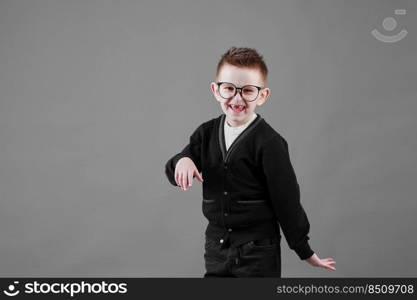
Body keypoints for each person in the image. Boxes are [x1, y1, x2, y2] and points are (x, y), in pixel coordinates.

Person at [165, 47, 336, 277]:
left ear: (262, 96)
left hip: (257, 251)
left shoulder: (270, 142)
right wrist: (182, 160)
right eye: (229, 89)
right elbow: (175, 169)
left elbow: (287, 201)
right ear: (216, 90)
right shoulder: (206, 133)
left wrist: (303, 249)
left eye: (247, 90)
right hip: (216, 246)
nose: (237, 98)